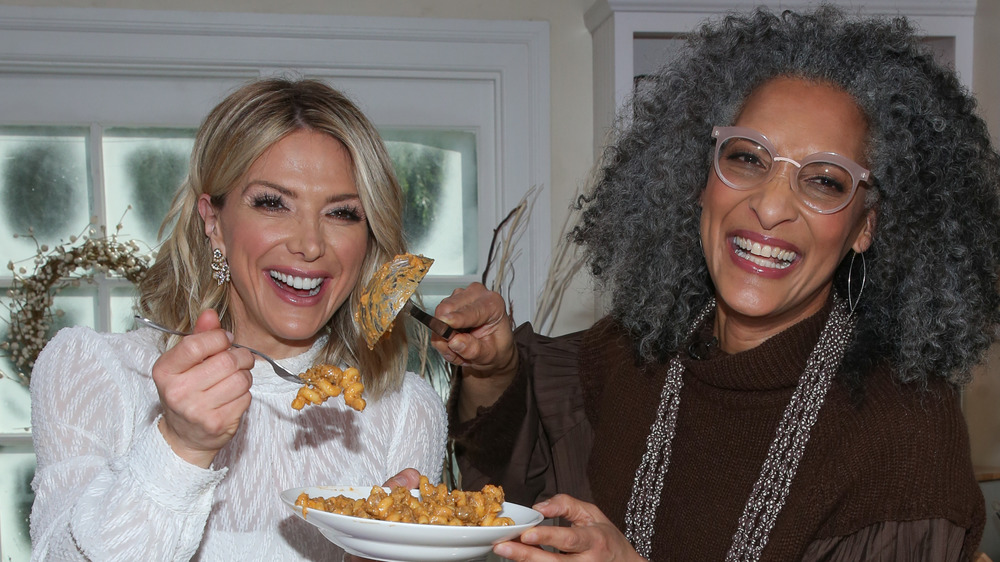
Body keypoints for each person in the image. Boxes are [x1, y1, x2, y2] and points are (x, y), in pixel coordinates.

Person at [435, 6, 1000, 561]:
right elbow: (516, 468)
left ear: (864, 227)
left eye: (825, 181)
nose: (771, 206)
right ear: (701, 182)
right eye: (749, 159)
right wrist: (493, 365)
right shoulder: (632, 355)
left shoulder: (906, 432)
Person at [28, 78, 446, 560]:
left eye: (342, 213)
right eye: (273, 203)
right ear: (213, 221)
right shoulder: (94, 371)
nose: (310, 244)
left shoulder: (405, 411)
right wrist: (180, 447)